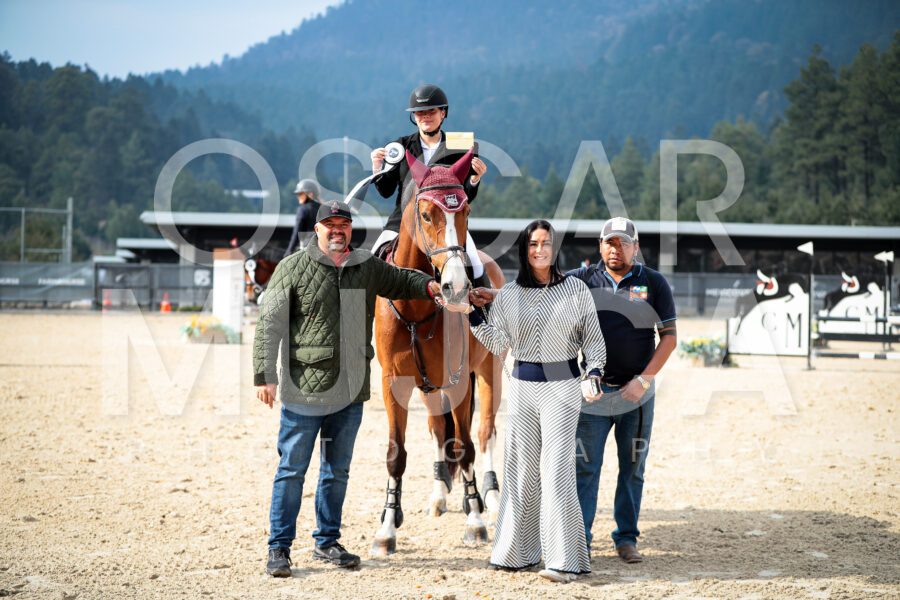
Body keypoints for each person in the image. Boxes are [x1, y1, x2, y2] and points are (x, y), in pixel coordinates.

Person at [254, 200, 444, 577]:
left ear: (350, 230)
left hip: (349, 393)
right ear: (318, 230)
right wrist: (264, 375)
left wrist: (430, 285)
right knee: (291, 471)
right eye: (331, 224)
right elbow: (269, 323)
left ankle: (326, 541)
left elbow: (400, 280)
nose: (337, 230)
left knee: (336, 472)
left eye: (344, 224)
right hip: (304, 392)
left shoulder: (365, 266)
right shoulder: (292, 267)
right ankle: (279, 547)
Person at [467, 220, 606, 583]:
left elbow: (593, 340)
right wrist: (471, 314)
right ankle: (515, 554)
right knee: (520, 471)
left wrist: (594, 372)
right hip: (522, 389)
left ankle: (564, 560)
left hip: (563, 389)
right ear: (524, 250)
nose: (540, 250)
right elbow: (499, 343)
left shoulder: (576, 289)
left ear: (554, 248)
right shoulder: (510, 294)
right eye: (533, 244)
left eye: (545, 243)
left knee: (556, 471)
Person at [567, 217, 677, 564]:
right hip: (593, 396)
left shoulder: (653, 282)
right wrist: (495, 294)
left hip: (636, 396)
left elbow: (669, 338)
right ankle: (580, 539)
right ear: (600, 246)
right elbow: (536, 290)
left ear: (636, 247)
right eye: (610, 243)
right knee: (585, 468)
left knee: (633, 467)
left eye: (623, 243)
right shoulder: (581, 279)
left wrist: (643, 381)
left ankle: (626, 538)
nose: (616, 249)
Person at [370, 83, 489, 285]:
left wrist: (475, 179)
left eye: (431, 111)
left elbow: (466, 197)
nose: (425, 116)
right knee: (373, 261)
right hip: (403, 222)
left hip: (447, 223)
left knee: (476, 266)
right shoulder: (400, 146)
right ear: (414, 117)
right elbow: (386, 191)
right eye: (420, 112)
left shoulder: (460, 146)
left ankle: (483, 304)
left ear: (443, 113)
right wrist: (376, 167)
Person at [283, 179, 322, 257]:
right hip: (322, 248)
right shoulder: (323, 208)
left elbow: (296, 233)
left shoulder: (303, 209)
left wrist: (289, 251)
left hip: (307, 249)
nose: (298, 197)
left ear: (310, 194)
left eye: (300, 194)